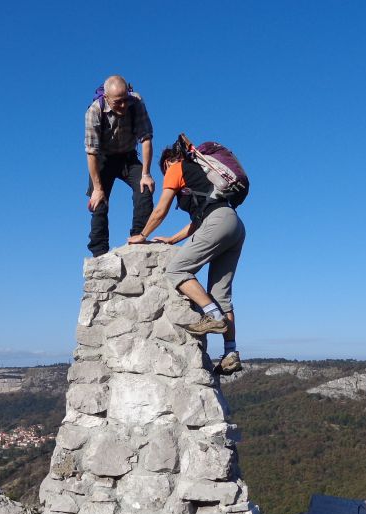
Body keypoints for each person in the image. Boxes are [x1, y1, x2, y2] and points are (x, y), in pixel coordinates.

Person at [127, 142, 245, 375]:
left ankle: (212, 316)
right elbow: (199, 220)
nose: (165, 176)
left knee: (176, 269)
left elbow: (161, 209)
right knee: (222, 295)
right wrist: (172, 239)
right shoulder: (202, 175)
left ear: (167, 162)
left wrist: (142, 234)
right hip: (234, 225)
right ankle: (231, 353)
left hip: (218, 221)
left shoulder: (176, 167)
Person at [84, 75, 154, 257]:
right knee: (99, 201)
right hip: (103, 159)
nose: (123, 106)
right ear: (106, 98)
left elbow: (146, 138)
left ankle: (137, 237)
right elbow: (91, 152)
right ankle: (99, 253)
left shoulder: (136, 101)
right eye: (118, 102)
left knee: (144, 190)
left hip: (128, 157)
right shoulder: (94, 111)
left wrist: (146, 173)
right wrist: (97, 188)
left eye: (125, 100)